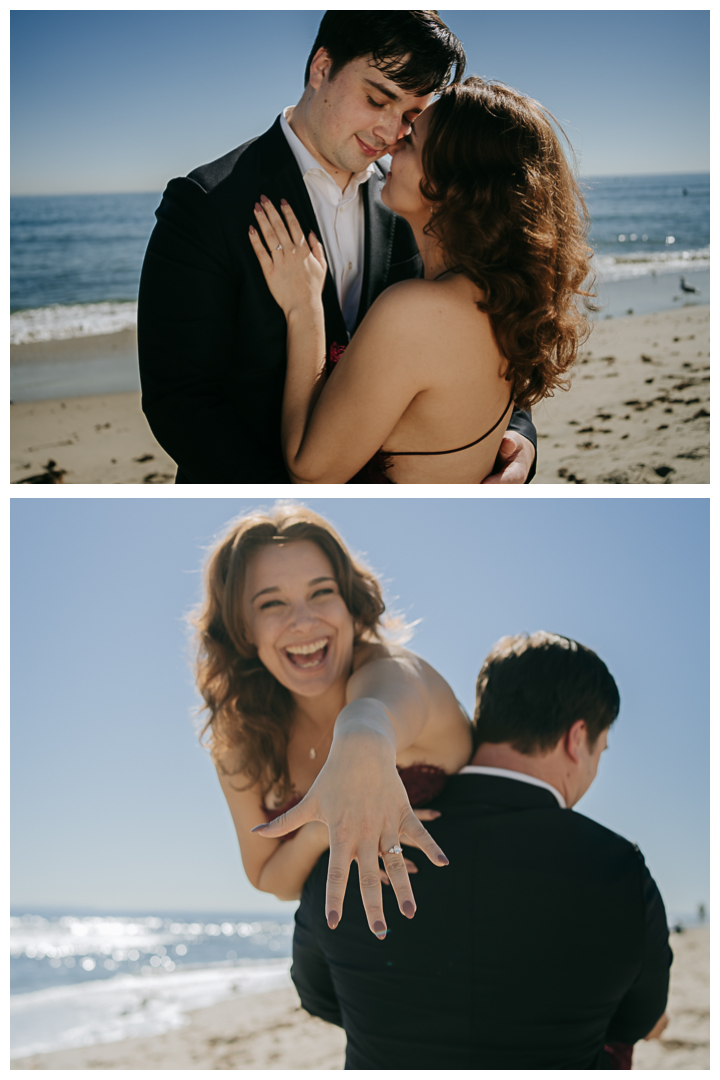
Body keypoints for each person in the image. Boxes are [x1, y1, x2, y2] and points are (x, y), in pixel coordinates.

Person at [138, 10, 538, 484]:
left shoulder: (418, 201)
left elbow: (482, 324)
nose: (390, 134)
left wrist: (519, 438)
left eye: (411, 116)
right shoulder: (207, 202)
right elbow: (180, 399)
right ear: (321, 68)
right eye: (376, 99)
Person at [292, 632, 673, 1070]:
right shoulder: (619, 870)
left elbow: (317, 994)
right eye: (599, 751)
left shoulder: (359, 844)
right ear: (577, 738)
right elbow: (637, 1019)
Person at [250, 77, 593, 483]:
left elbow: (311, 471)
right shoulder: (503, 299)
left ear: (451, 184)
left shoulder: (415, 312)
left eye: (411, 141)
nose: (392, 143)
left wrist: (303, 307)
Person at [192, 502, 473, 937]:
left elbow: (373, 715)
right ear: (243, 628)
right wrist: (322, 829)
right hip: (351, 977)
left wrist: (362, 742)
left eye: (322, 592)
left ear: (349, 602)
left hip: (465, 933)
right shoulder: (240, 739)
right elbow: (270, 879)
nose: (303, 622)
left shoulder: (394, 670)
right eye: (271, 603)